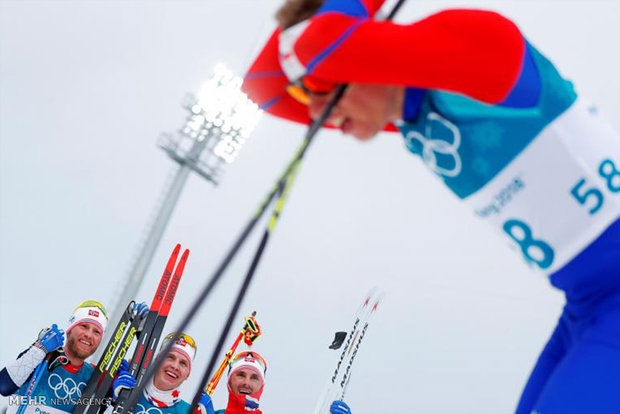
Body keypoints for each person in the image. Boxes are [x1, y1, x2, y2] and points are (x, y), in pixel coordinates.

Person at [241, 1, 620, 413]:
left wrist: (341, 21)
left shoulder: (481, 49)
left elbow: (320, 44)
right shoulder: (413, 111)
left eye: (318, 89)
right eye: (305, 91)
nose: (316, 112)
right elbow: (263, 86)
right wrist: (317, 55)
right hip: (585, 304)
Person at [0, 300, 109, 414]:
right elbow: (3, 386)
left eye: (97, 332)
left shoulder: (95, 375)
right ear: (70, 330)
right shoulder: (43, 357)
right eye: (83, 326)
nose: (89, 335)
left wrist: (120, 390)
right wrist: (40, 349)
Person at [113, 332, 214, 414]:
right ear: (157, 360)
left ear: (188, 374)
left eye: (183, 363)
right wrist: (112, 401)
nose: (175, 366)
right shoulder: (125, 391)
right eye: (170, 357)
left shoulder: (187, 411)